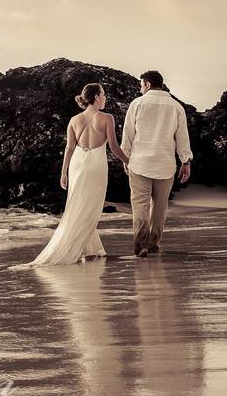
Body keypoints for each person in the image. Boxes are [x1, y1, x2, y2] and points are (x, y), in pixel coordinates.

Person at [23, 82, 130, 266]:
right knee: (91, 206)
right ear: (96, 97)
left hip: (77, 165)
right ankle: (79, 247)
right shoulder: (107, 118)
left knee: (78, 204)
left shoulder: (74, 120)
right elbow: (113, 146)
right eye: (103, 94)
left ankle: (90, 248)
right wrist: (128, 161)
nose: (105, 98)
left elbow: (69, 147)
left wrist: (63, 172)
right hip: (96, 164)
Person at [121, 70, 193, 257]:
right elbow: (182, 138)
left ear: (147, 84)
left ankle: (141, 244)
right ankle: (153, 244)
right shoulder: (176, 107)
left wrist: (125, 157)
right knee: (160, 208)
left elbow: (128, 134)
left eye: (141, 85)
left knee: (140, 207)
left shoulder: (137, 104)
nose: (140, 88)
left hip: (139, 164)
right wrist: (186, 161)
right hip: (165, 165)